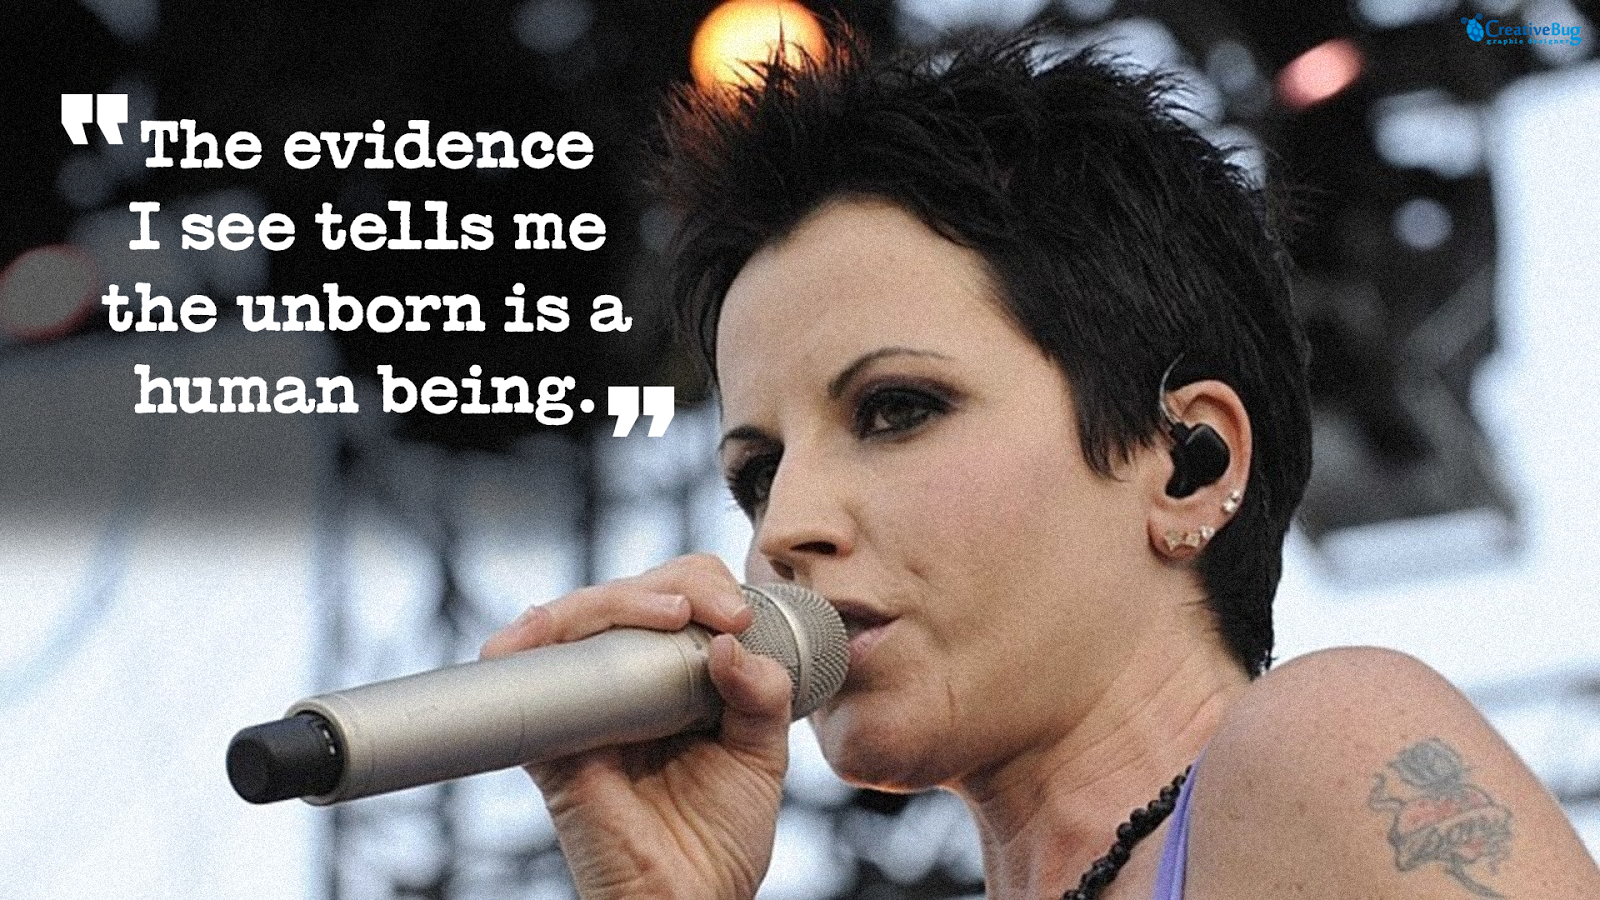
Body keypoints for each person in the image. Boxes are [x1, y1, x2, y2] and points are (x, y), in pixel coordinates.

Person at [480, 33, 1600, 900]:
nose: (783, 528)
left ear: (1187, 461)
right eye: (758, 473)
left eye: (896, 410)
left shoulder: (1325, 743)